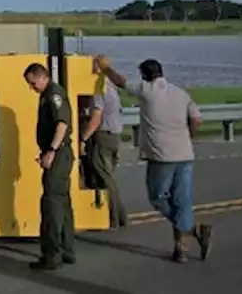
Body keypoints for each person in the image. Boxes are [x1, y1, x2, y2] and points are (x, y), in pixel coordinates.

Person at [96, 55, 213, 263]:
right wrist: (188, 135)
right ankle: (181, 248)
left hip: (161, 157)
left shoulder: (147, 91)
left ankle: (193, 230)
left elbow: (120, 82)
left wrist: (105, 68)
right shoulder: (181, 93)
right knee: (181, 202)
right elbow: (197, 119)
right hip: (185, 154)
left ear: (144, 76)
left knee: (158, 197)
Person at [23, 62, 76, 271]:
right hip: (58, 153)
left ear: (42, 77)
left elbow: (62, 123)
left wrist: (51, 151)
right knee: (63, 203)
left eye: (33, 82)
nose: (32, 87)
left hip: (58, 154)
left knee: (51, 204)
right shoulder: (49, 94)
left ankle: (52, 254)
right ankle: (67, 249)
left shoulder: (54, 94)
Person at [81, 57, 128, 229]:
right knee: (106, 176)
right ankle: (115, 215)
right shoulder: (112, 86)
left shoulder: (99, 89)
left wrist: (82, 138)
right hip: (114, 136)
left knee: (104, 177)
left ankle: (114, 216)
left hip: (103, 136)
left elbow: (95, 119)